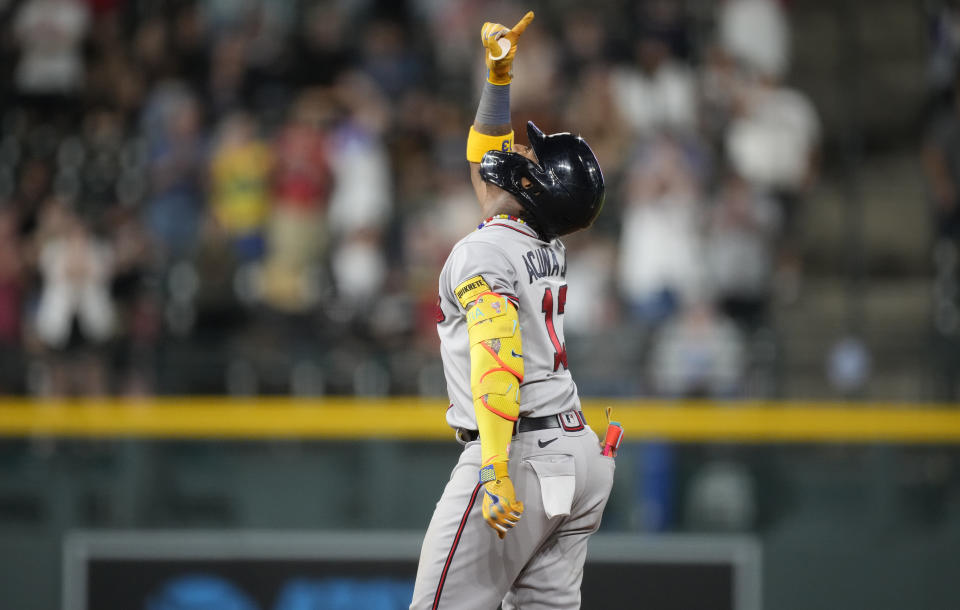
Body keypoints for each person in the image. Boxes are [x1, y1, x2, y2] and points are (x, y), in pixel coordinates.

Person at [411, 12, 615, 609]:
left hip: (519, 450)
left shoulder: (485, 250)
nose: (521, 150)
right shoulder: (537, 240)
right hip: (578, 456)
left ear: (535, 187)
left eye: (533, 154)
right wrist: (498, 78)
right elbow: (485, 158)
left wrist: (494, 473)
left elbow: (497, 366)